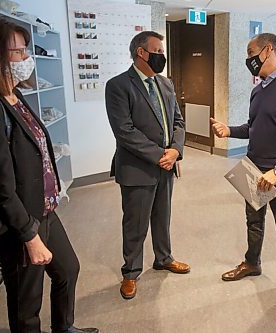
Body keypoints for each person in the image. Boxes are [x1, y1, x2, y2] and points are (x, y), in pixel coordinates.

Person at [0, 17, 98, 333]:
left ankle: (64, 328)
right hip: (19, 222)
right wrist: (29, 236)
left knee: (67, 269)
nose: (24, 58)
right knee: (26, 306)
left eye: (24, 49)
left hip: (44, 209)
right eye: (15, 52)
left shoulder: (15, 95)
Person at [210, 33, 276, 317]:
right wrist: (230, 130)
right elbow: (254, 128)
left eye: (250, 52)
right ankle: (252, 263)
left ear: (268, 51)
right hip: (253, 168)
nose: (249, 59)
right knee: (253, 222)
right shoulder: (259, 89)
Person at [105, 31, 189, 300]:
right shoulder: (118, 85)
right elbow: (124, 131)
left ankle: (163, 258)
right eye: (157, 50)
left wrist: (175, 150)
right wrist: (158, 155)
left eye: (162, 51)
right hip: (138, 168)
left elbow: (178, 121)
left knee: (162, 218)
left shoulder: (165, 83)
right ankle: (130, 273)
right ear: (141, 53)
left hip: (167, 164)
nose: (161, 56)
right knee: (135, 224)